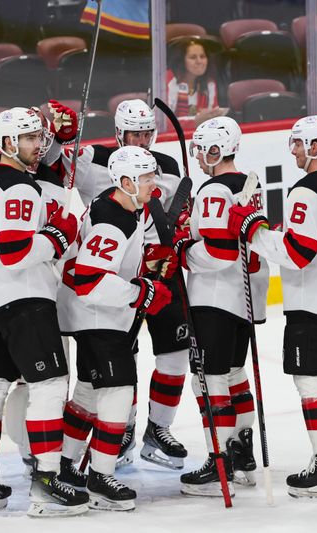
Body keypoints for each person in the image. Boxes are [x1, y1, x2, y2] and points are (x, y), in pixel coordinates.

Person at [228, 115, 317, 498]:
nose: (293, 150)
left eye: (299, 144)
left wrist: (253, 230)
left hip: (314, 303)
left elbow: (296, 253)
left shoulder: (306, 190)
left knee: (312, 384)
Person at [0, 107, 87, 516]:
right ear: (9, 143)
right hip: (24, 301)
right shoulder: (20, 187)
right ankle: (47, 481)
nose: (40, 145)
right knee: (50, 386)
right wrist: (58, 234)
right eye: (31, 138)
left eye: (40, 137)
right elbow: (15, 252)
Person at [62, 98, 189, 472]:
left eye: (148, 132)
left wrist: (177, 232)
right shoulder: (92, 162)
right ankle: (124, 430)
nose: (142, 139)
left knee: (175, 352)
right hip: (116, 277)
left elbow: (175, 215)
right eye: (135, 133)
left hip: (160, 271)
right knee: (122, 364)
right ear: (119, 133)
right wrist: (63, 132)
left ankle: (158, 429)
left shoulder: (165, 166)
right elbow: (51, 160)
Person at [57, 146, 172, 511]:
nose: (154, 184)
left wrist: (145, 265)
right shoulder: (113, 219)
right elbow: (90, 281)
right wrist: (141, 292)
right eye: (147, 178)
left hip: (94, 314)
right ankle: (100, 476)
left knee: (89, 394)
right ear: (126, 181)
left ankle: (64, 465)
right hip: (97, 316)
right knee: (119, 392)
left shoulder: (121, 204)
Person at [176, 116, 268, 496]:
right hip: (242, 299)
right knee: (232, 374)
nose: (197, 156)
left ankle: (221, 462)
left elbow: (219, 251)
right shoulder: (249, 185)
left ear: (216, 151)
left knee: (209, 380)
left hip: (213, 299)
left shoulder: (214, 191)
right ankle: (242, 454)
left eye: (202, 149)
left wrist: (183, 246)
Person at [166, 38, 227, 128]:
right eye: (193, 57)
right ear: (181, 61)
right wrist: (195, 121)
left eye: (202, 57)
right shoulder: (168, 80)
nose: (199, 61)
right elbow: (163, 123)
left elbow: (213, 117)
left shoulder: (209, 83)